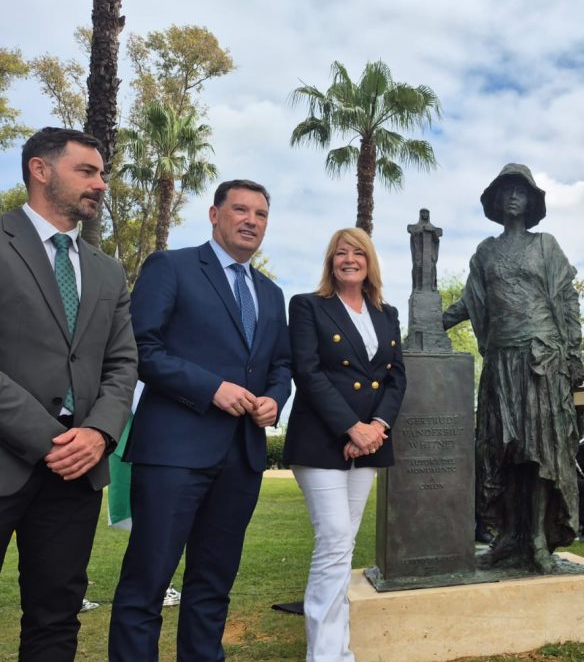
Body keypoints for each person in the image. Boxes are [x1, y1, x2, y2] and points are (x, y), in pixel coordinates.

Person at [109, 180, 292, 661]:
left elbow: (281, 365)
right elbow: (141, 348)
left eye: (261, 213)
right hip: (173, 452)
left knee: (213, 584)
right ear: (215, 215)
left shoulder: (271, 294)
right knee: (147, 583)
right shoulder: (172, 267)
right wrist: (210, 388)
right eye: (240, 210)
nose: (251, 220)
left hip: (242, 458)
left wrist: (275, 399)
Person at [0, 127, 138, 661]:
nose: (101, 184)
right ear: (40, 170)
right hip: (15, 456)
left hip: (77, 473)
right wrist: (51, 439)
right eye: (87, 171)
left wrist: (100, 433)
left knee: (56, 619)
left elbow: (123, 362)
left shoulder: (107, 271)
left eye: (102, 173)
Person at [443, 163, 584, 574]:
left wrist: (574, 354)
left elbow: (568, 300)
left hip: (542, 358)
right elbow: (472, 301)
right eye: (505, 190)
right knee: (500, 452)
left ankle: (539, 539)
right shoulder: (485, 251)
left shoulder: (546, 246)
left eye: (520, 191)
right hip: (501, 359)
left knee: (538, 452)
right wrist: (433, 319)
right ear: (495, 200)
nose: (512, 197)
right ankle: (508, 537)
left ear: (531, 201)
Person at [284, 227, 406, 661]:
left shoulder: (387, 313)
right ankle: (325, 655)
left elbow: (395, 377)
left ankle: (339, 648)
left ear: (370, 261)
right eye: (341, 253)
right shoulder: (308, 306)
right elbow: (308, 372)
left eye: (358, 252)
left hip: (370, 441)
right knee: (334, 540)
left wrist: (374, 427)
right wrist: (350, 428)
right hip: (320, 440)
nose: (349, 259)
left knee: (342, 545)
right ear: (330, 261)